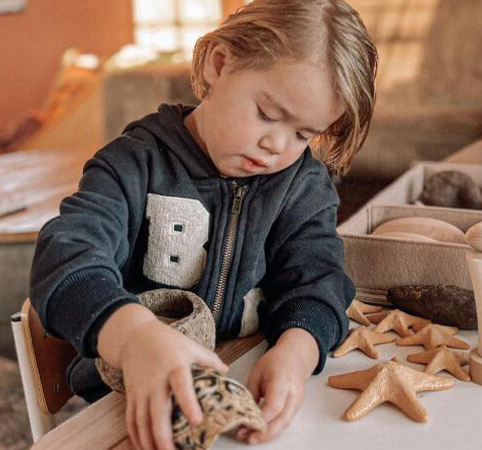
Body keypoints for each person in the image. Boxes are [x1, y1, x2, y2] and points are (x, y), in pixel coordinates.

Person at [29, 0, 377, 448]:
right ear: (219, 64)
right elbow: (64, 260)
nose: (276, 145)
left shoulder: (302, 185)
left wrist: (296, 350)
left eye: (303, 134)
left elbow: (319, 280)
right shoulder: (132, 163)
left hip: (242, 386)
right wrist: (135, 337)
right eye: (268, 114)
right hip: (129, 399)